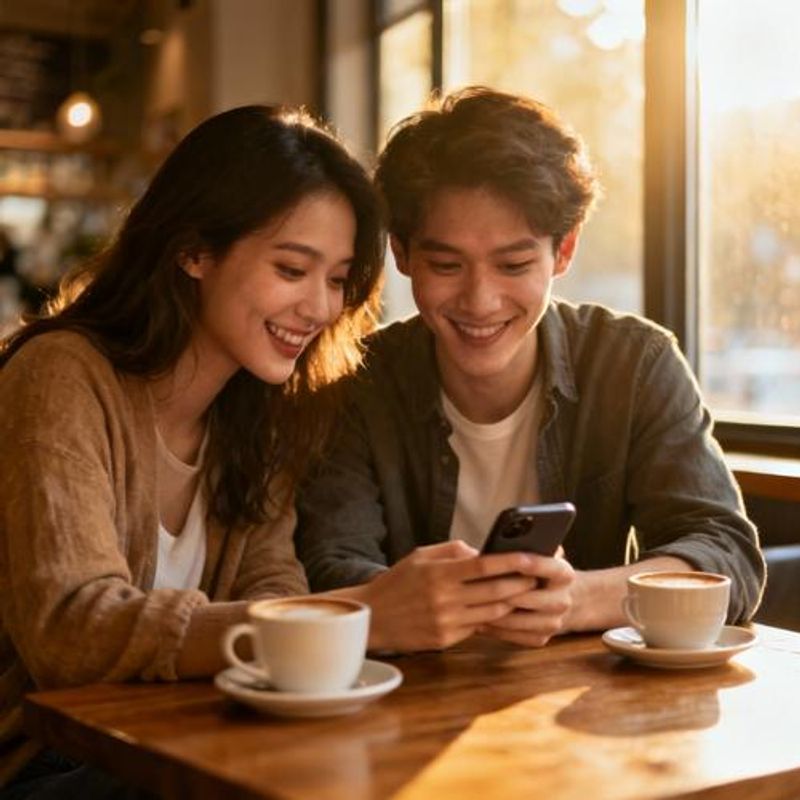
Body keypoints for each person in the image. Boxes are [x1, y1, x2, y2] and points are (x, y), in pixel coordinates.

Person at [296, 86, 765, 653]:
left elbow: (727, 554)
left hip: (582, 712)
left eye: (514, 264)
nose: (480, 300)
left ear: (563, 252)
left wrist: (577, 601)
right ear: (401, 254)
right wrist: (422, 604)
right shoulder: (359, 382)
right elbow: (326, 567)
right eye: (446, 265)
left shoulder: (633, 364)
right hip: (399, 703)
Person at [0, 105, 383, 797]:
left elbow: (274, 583)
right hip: (42, 757)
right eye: (294, 269)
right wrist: (369, 614)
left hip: (174, 733)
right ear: (194, 250)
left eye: (337, 279)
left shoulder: (260, 412)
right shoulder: (60, 375)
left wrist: (287, 630)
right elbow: (70, 631)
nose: (323, 308)